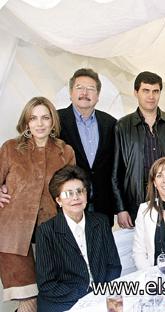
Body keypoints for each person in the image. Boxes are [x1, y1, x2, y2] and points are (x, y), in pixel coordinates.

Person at [0, 97, 75, 311]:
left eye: (45, 117)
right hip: (13, 235)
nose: (39, 123)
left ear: (53, 122)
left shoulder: (65, 152)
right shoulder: (10, 149)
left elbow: (72, 190)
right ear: (26, 122)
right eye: (33, 118)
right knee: (28, 298)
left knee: (50, 294)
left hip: (53, 231)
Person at [35, 166, 121, 312]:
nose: (75, 197)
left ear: (86, 195)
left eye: (80, 191)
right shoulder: (46, 231)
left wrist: (101, 293)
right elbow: (47, 284)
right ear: (58, 200)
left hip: (100, 294)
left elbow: (113, 266)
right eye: (68, 193)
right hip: (64, 301)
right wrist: (86, 295)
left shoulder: (100, 222)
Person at [112, 71, 165, 228]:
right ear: (136, 92)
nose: (151, 96)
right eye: (146, 90)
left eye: (155, 91)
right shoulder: (122, 126)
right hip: (136, 202)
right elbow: (115, 172)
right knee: (141, 249)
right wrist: (121, 208)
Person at [58, 68, 117, 226]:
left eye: (91, 89)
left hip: (102, 205)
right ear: (70, 93)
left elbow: (116, 166)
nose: (85, 92)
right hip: (68, 203)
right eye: (79, 88)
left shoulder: (110, 123)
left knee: (99, 249)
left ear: (98, 96)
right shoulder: (56, 121)